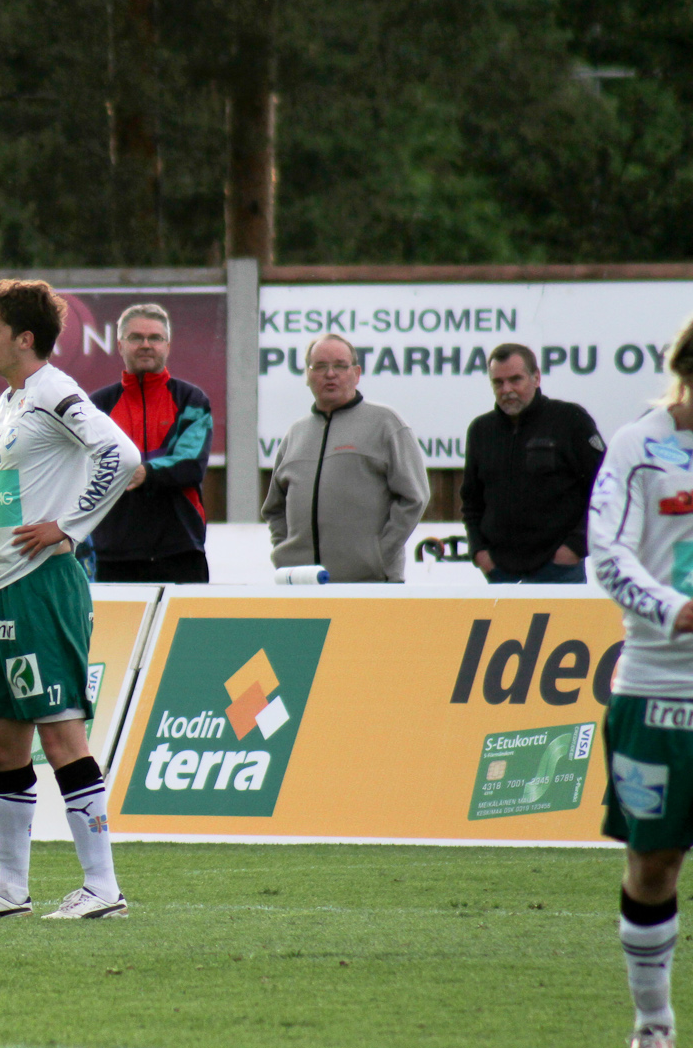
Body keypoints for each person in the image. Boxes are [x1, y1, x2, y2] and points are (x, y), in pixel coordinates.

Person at [0, 279, 140, 920]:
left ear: (24, 339)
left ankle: (102, 888)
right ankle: (10, 890)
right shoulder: (12, 401)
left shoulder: (54, 390)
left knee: (61, 735)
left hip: (45, 586)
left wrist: (69, 526)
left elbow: (121, 455)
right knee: (4, 741)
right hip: (5, 588)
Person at [592, 317, 693, 1048]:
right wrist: (674, 610)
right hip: (657, 690)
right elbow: (607, 553)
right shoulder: (638, 446)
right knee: (654, 864)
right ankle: (653, 1024)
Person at [261, 333, 429, 583]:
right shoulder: (295, 434)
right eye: (320, 366)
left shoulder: (385, 424)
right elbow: (275, 508)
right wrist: (287, 554)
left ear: (356, 373)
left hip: (370, 584)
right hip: (303, 584)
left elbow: (414, 497)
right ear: (307, 375)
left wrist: (379, 556)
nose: (330, 374)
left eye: (340, 365)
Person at [87, 303, 213, 583]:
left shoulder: (191, 400)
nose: (146, 345)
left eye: (154, 338)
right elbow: (84, 469)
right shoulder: (97, 406)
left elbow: (191, 463)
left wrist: (144, 472)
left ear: (168, 345)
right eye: (136, 337)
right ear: (120, 345)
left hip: (180, 551)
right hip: (112, 553)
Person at [461, 343, 604, 585]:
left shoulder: (570, 421)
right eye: (498, 382)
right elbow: (471, 502)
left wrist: (575, 547)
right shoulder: (481, 431)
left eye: (515, 380)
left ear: (536, 377)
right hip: (499, 572)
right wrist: (479, 552)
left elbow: (604, 489)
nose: (507, 389)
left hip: (559, 571)